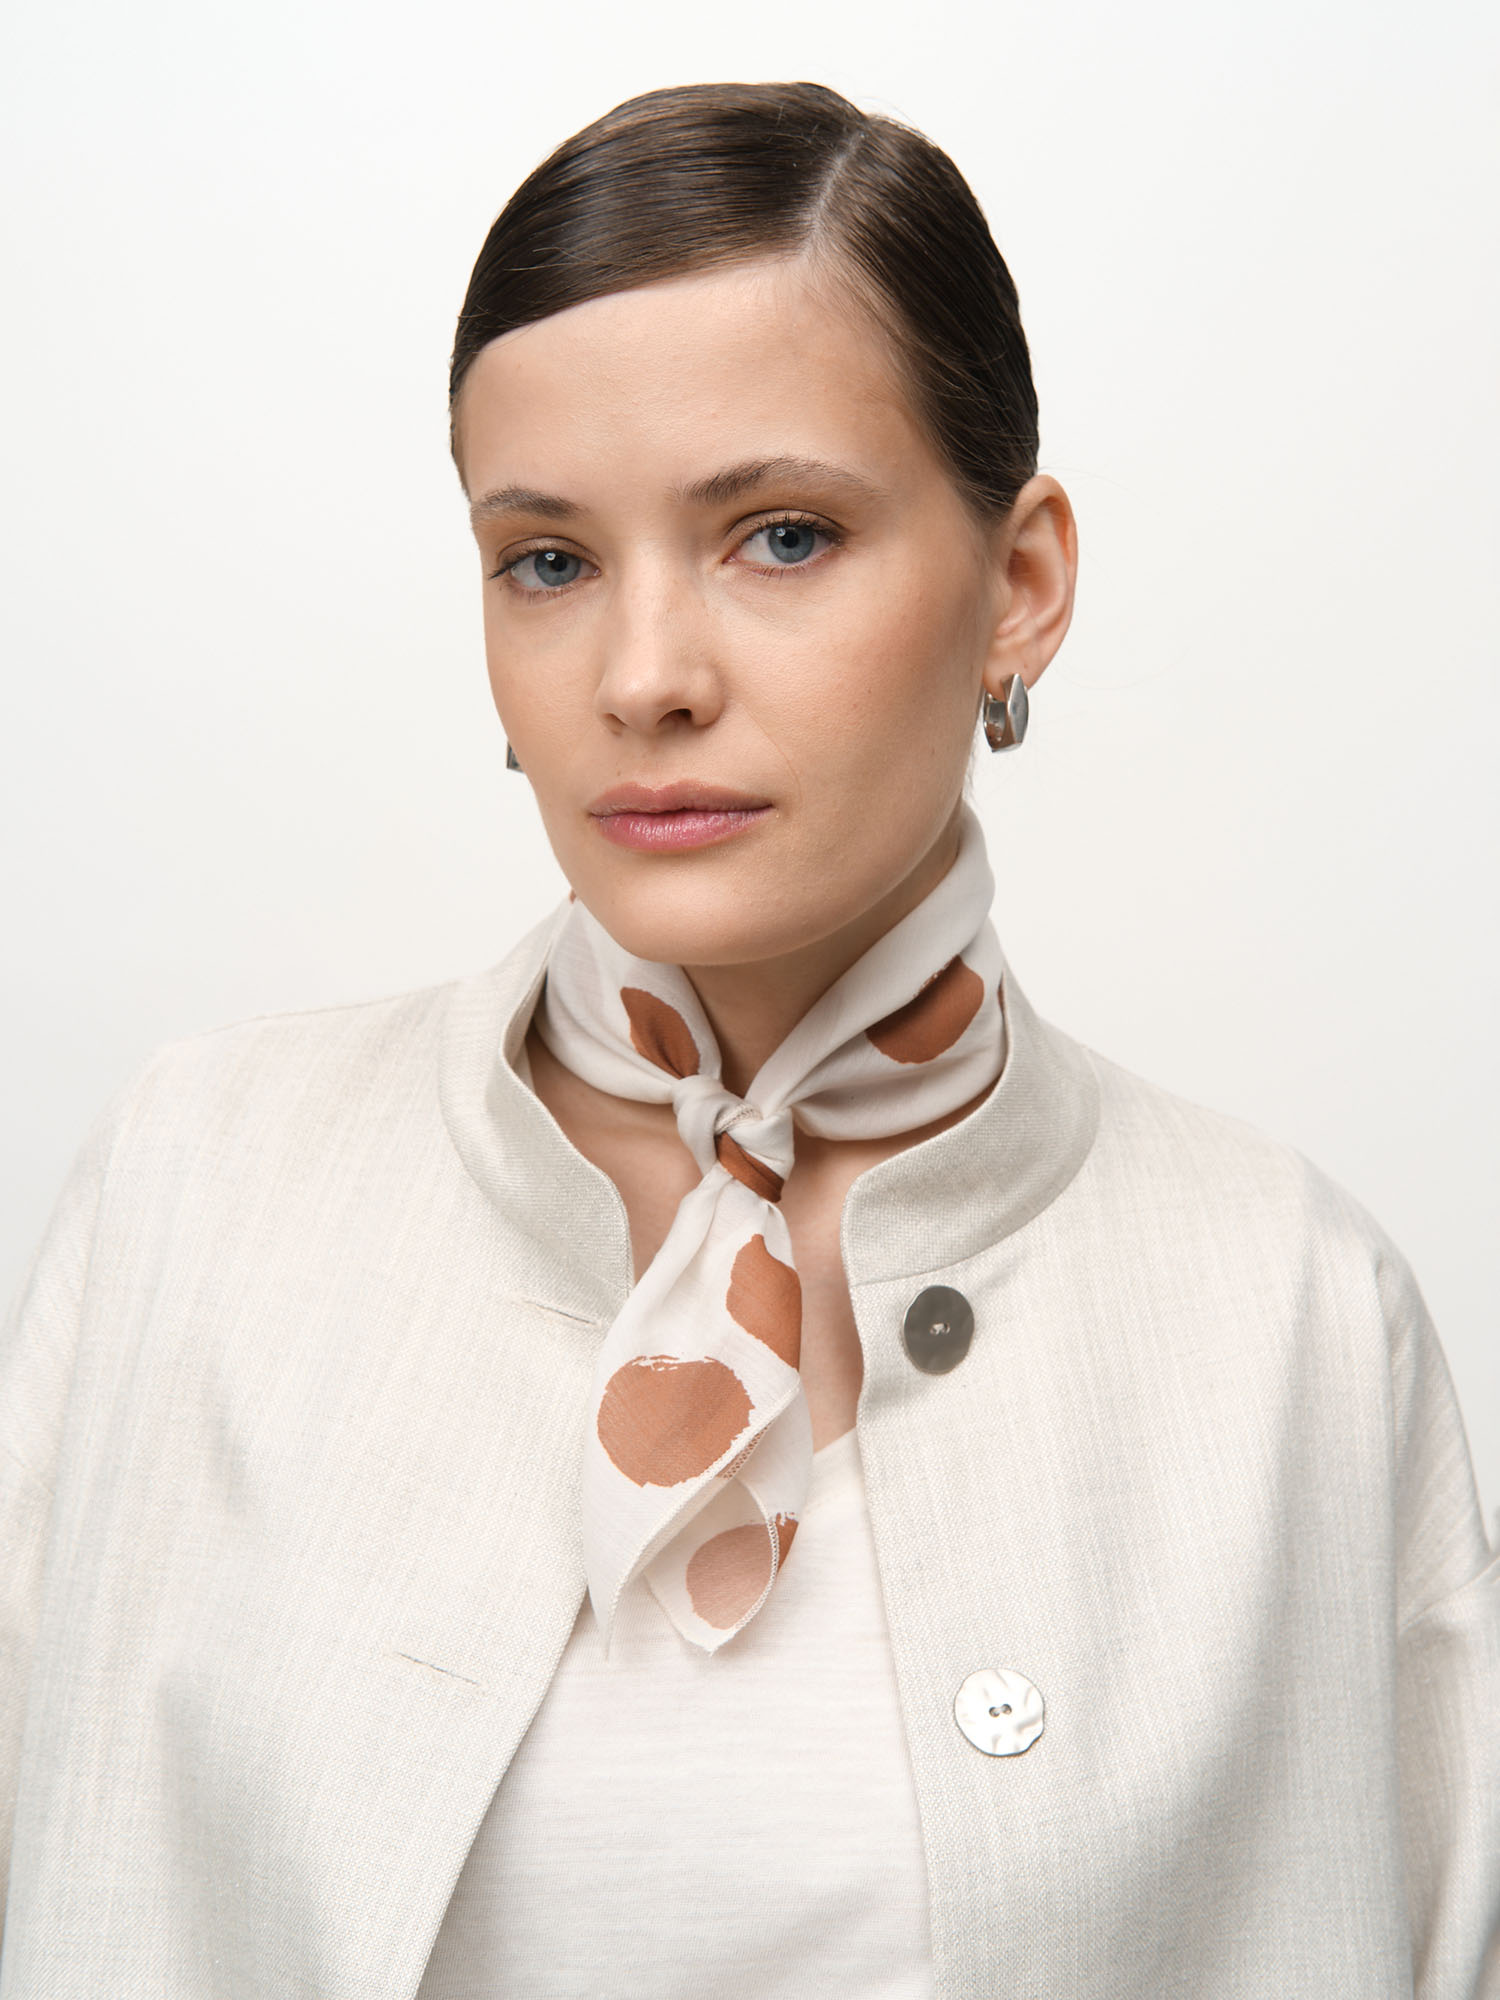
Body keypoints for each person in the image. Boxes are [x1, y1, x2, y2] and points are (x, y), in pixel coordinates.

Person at [0, 77, 1494, 2000]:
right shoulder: (197, 1192)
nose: (643, 678)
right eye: (548, 561)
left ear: (1021, 586)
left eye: (781, 537)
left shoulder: (1292, 1312)